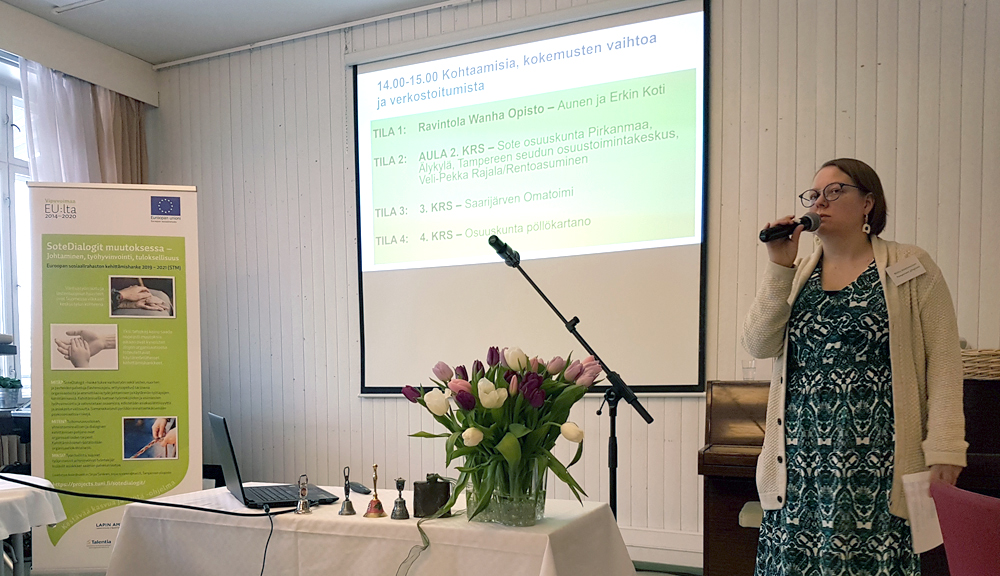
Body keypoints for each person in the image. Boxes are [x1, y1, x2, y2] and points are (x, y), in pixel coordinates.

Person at [743, 158, 967, 575]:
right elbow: (758, 344)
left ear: (868, 202)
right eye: (814, 194)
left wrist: (946, 448)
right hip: (800, 463)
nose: (819, 202)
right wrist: (778, 265)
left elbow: (944, 362)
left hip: (878, 464)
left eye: (834, 191)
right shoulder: (797, 273)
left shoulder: (910, 264)